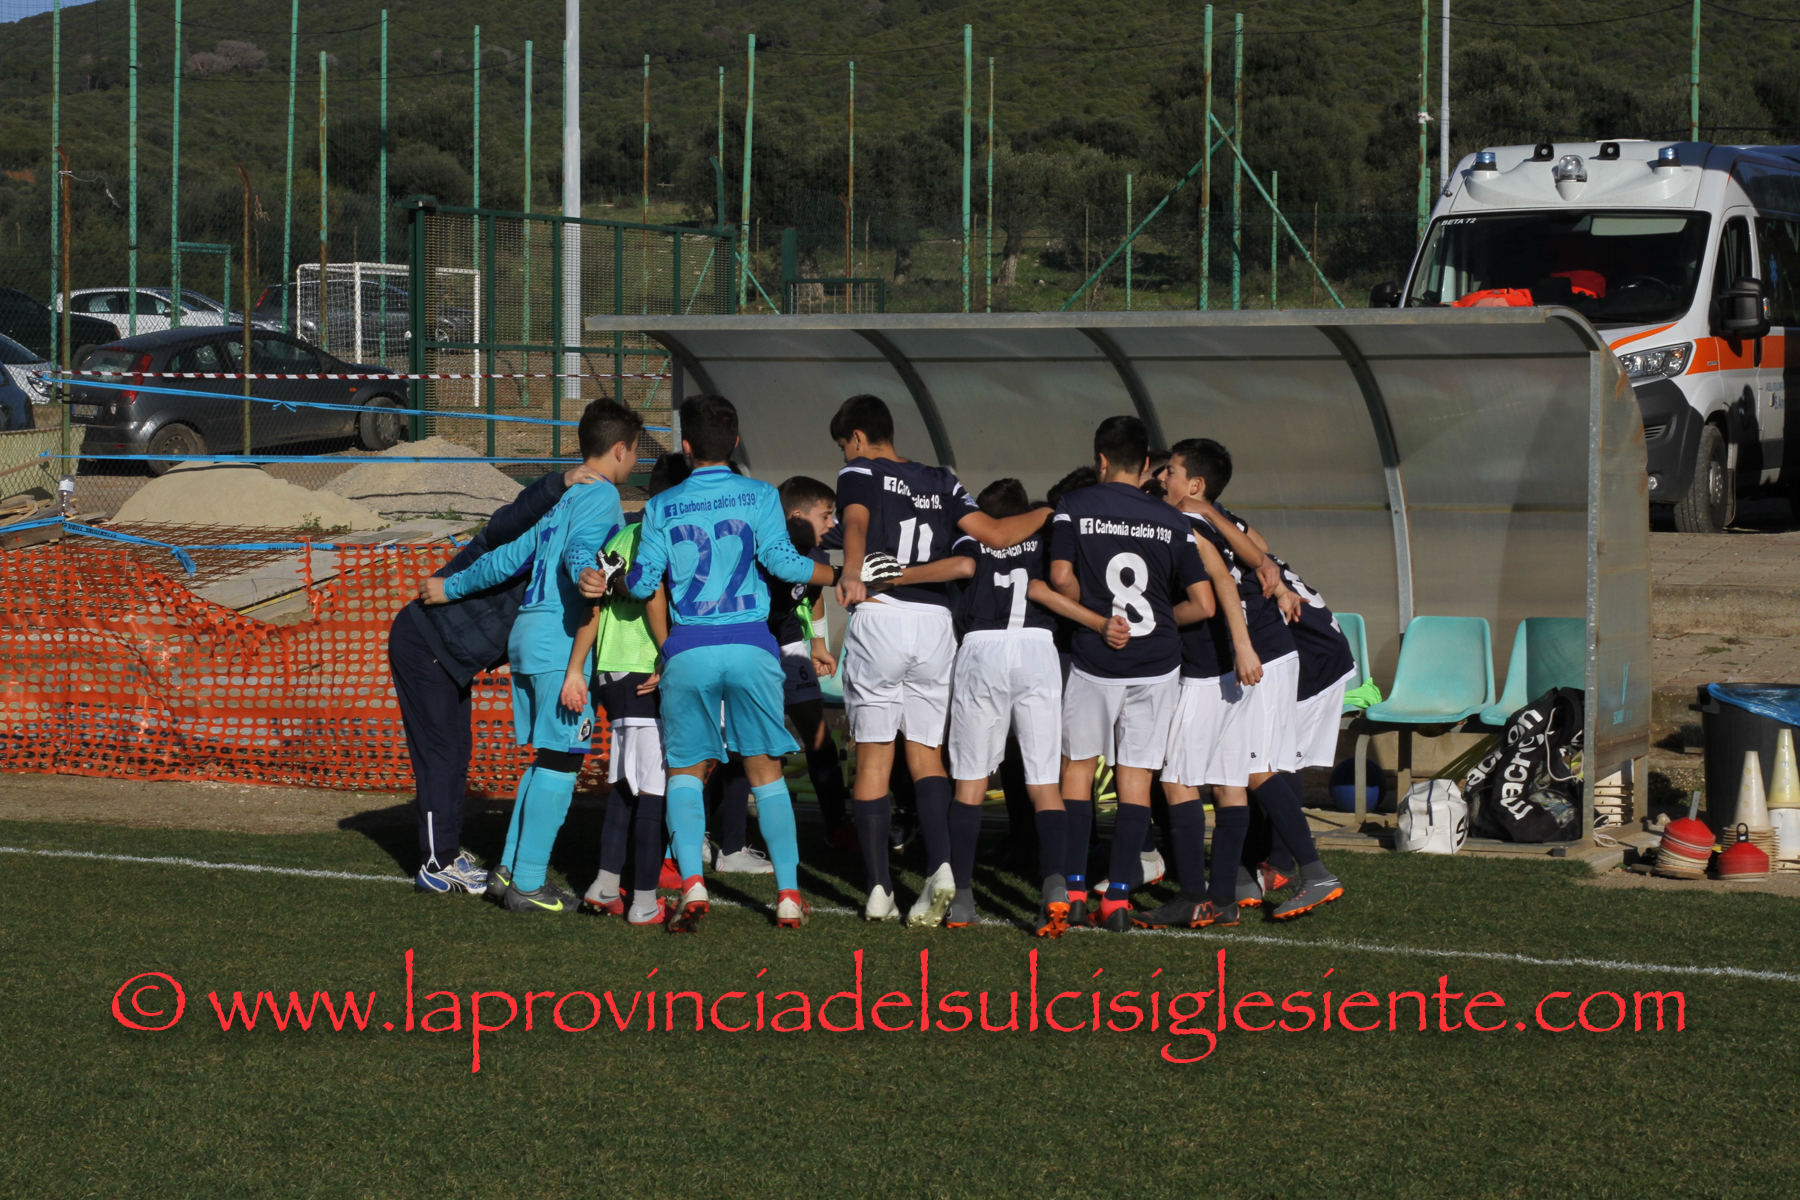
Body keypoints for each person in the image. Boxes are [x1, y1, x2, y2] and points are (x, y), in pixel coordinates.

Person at [602, 394, 839, 932]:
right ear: (734, 442)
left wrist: (616, 578)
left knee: (685, 772)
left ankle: (692, 884)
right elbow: (783, 563)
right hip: (751, 645)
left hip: (688, 649)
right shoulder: (760, 495)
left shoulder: (661, 506)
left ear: (686, 447)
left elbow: (643, 584)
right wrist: (843, 574)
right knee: (765, 772)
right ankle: (788, 895)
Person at [829, 393, 1054, 924]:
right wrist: (1050, 510)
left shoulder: (859, 471)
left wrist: (853, 571)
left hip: (882, 615)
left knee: (874, 758)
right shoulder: (942, 479)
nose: (845, 455)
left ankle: (879, 888)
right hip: (934, 626)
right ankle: (941, 868)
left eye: (844, 446)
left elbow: (855, 523)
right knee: (927, 754)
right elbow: (995, 534)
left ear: (856, 437)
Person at [419, 399, 641, 914]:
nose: (635, 461)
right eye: (635, 452)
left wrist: (452, 586)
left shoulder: (565, 498)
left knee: (549, 758)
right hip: (559, 641)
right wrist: (589, 574)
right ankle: (529, 883)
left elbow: (509, 557)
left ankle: (509, 872)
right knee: (563, 760)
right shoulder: (602, 495)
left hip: (526, 636)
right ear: (620, 449)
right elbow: (580, 553)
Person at [387, 458, 606, 895]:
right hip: (426, 641)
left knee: (456, 751)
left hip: (449, 653)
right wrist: (560, 482)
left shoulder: (556, 537)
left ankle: (448, 853)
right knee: (441, 754)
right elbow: (507, 525)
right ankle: (435, 863)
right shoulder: (525, 532)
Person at [920, 478, 1129, 935]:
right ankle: (1054, 885)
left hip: (983, 647)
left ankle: (963, 899)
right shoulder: (1047, 537)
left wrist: (896, 575)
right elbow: (1059, 586)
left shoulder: (972, 538)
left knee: (970, 782)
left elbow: (960, 565)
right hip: (1037, 648)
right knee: (1044, 781)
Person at [1161, 438, 1345, 922]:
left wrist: (1247, 639)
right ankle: (1231, 890)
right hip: (1255, 652)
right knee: (1237, 772)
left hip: (1262, 653)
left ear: (1195, 484)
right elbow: (1259, 557)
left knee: (1255, 767)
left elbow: (1252, 561)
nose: (1161, 478)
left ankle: (1310, 871)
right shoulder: (1200, 517)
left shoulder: (1197, 520)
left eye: (1169, 471)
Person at [1047, 416, 1217, 931]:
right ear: (1146, 465)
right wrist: (1159, 622)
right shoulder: (1172, 520)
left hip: (1096, 658)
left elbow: (1060, 578)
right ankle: (1118, 899)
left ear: (1100, 460)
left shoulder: (1074, 504)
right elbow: (1203, 603)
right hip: (1157, 663)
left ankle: (1076, 890)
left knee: (1078, 769)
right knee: (1136, 779)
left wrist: (1095, 618)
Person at [561, 452, 686, 926]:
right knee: (654, 790)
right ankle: (644, 901)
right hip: (645, 671)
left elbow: (592, 606)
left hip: (611, 670)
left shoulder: (619, 537)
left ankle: (605, 884)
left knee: (625, 788)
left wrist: (578, 667)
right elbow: (654, 596)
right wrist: (668, 654)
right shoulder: (663, 533)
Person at [772, 475, 855, 853]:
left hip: (790, 641)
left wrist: (818, 644)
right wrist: (855, 578)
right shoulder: (770, 547)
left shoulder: (816, 550)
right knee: (747, 746)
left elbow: (814, 592)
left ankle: (837, 826)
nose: (833, 524)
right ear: (796, 517)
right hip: (754, 645)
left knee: (818, 735)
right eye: (826, 515)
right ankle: (722, 830)